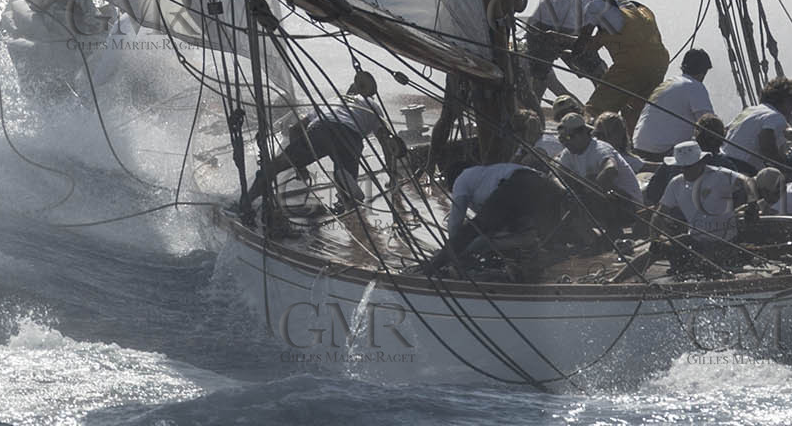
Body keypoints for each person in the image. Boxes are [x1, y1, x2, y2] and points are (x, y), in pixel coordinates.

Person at [240, 70, 404, 218]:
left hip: (322, 129)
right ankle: (344, 200)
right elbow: (387, 143)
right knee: (348, 189)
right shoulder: (372, 105)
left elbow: (295, 129)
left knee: (275, 166)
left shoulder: (332, 101)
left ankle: (246, 201)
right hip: (350, 137)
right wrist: (392, 174)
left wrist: (300, 167)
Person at [423, 160, 566, 278]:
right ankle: (530, 272)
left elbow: (455, 222)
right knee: (523, 237)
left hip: (519, 185)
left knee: (472, 231)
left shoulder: (462, 177)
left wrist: (452, 255)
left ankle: (431, 269)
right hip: (545, 186)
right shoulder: (487, 175)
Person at [573, 0, 670, 132]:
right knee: (632, 111)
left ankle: (588, 141)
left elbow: (582, 42)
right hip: (658, 65)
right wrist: (558, 38)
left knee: (594, 109)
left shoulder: (596, 5)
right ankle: (631, 147)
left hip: (631, 66)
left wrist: (572, 55)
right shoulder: (633, 7)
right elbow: (594, 44)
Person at [653, 140, 755, 276]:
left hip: (724, 241)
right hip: (695, 240)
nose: (685, 170)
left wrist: (752, 205)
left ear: (701, 162)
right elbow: (659, 215)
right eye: (681, 167)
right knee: (649, 254)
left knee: (699, 266)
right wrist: (655, 238)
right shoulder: (676, 183)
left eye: (689, 166)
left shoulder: (720, 175)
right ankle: (617, 282)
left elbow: (748, 181)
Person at [524, 0, 607, 101]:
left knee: (540, 76)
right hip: (564, 32)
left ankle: (533, 112)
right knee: (599, 73)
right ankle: (602, 109)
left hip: (534, 29)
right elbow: (587, 34)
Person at [553, 112, 642, 235]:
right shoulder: (568, 153)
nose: (565, 143)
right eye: (561, 139)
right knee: (565, 191)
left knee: (592, 181)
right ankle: (585, 237)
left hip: (629, 206)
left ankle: (613, 234)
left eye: (568, 138)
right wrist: (566, 192)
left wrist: (587, 191)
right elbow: (556, 175)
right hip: (599, 201)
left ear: (583, 133)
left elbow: (611, 169)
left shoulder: (600, 149)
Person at [631, 49, 716, 161]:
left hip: (638, 147)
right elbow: (710, 126)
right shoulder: (695, 86)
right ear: (703, 72)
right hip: (661, 152)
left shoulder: (669, 83)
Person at [719, 76, 792, 175]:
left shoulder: (750, 110)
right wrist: (786, 168)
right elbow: (766, 144)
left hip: (722, 162)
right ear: (787, 102)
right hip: (741, 168)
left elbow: (726, 130)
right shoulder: (776, 116)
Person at [644, 113, 728, 206]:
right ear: (723, 137)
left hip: (668, 209)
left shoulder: (677, 153)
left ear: (696, 134)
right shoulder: (725, 164)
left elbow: (653, 190)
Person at [592, 111, 647, 175]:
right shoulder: (620, 158)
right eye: (617, 130)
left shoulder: (593, 148)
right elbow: (647, 167)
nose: (622, 133)